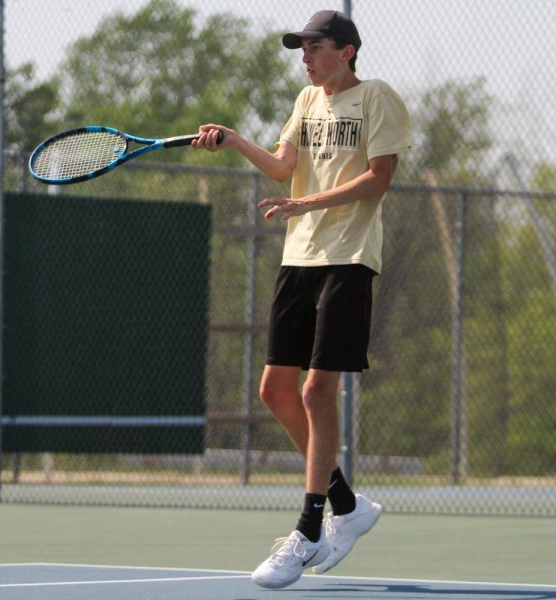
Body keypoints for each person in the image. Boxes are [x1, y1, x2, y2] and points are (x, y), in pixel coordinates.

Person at [193, 9, 412, 590]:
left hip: (349, 257)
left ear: (346, 50)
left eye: (314, 47)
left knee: (318, 389)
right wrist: (235, 139)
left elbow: (379, 176)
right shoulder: (305, 101)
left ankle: (309, 528)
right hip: (300, 258)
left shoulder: (377, 98)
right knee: (275, 389)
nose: (305, 57)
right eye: (302, 49)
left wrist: (308, 205)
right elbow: (283, 166)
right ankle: (348, 503)